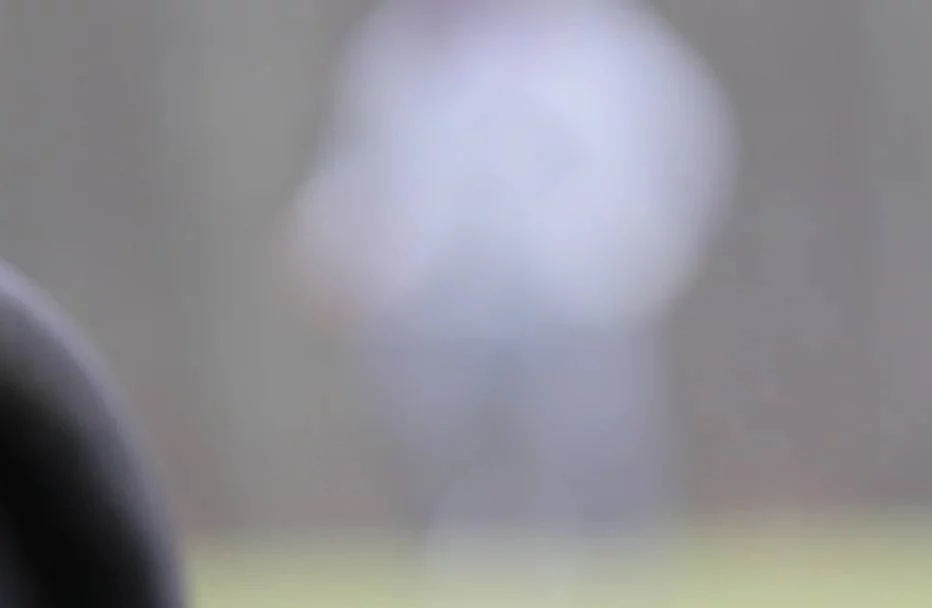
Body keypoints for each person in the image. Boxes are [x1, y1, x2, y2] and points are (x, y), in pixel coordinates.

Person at [283, 0, 734, 574]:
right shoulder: (404, 46)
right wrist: (336, 241)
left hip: (583, 287)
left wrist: (650, 245)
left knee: (591, 435)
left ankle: (619, 576)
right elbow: (370, 162)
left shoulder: (609, 42)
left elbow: (684, 146)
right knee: (443, 433)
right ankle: (461, 563)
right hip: (444, 295)